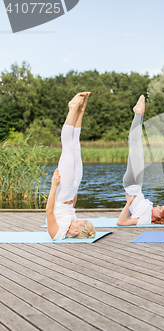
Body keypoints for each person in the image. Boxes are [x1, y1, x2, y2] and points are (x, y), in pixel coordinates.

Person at [117, 95, 164, 226]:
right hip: (136, 184)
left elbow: (120, 223)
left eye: (160, 208)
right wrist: (130, 208)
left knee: (135, 145)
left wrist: (128, 203)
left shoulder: (145, 220)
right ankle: (138, 114)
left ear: (159, 216)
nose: (158, 206)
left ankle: (138, 113)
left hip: (133, 184)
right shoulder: (147, 215)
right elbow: (131, 214)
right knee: (137, 147)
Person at [46, 92, 96, 240]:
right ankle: (81, 110)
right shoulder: (71, 224)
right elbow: (71, 207)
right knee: (76, 145)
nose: (77, 220)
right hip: (72, 188)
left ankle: (73, 108)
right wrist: (76, 188)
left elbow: (49, 210)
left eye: (78, 222)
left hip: (62, 193)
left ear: (75, 231)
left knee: (68, 147)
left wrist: (54, 185)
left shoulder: (58, 233)